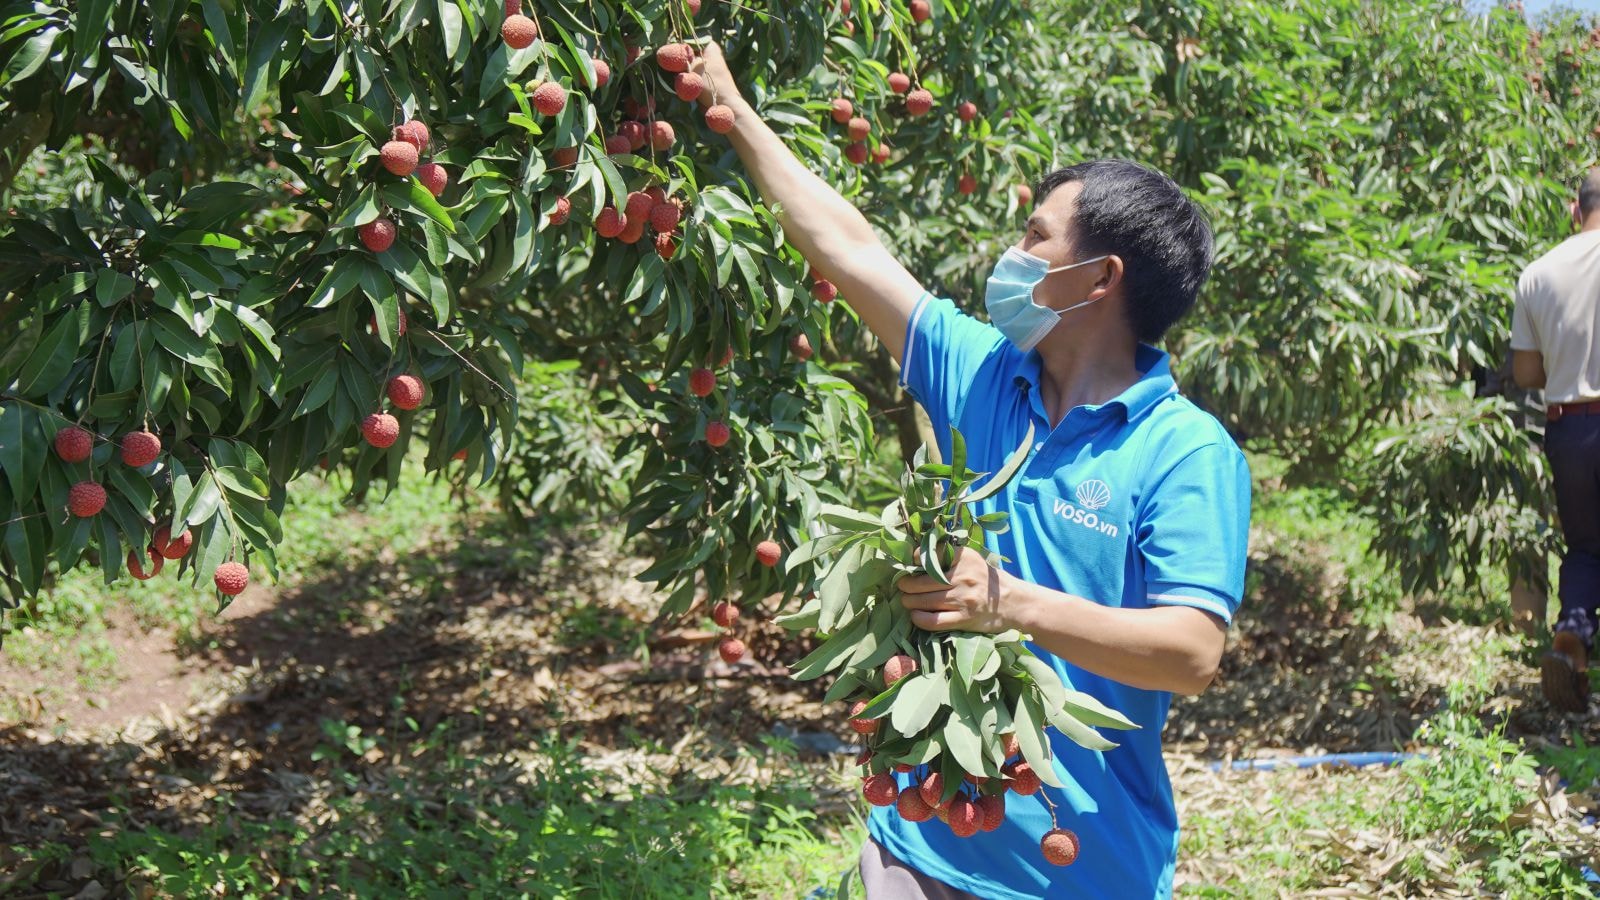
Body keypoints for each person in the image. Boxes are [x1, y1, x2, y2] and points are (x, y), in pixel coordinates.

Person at [690, 46, 1250, 899]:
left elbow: (1192, 651)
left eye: (1034, 236)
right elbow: (848, 249)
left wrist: (1010, 604)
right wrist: (731, 106)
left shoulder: (1185, 451)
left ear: (1099, 277)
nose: (1011, 253)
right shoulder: (986, 376)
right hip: (922, 837)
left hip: (1080, 868)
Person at [1511, 169, 1600, 714]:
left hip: (1569, 429)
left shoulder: (1538, 273)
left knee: (1586, 548)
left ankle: (1569, 644)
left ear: (1575, 210)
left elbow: (1525, 374)